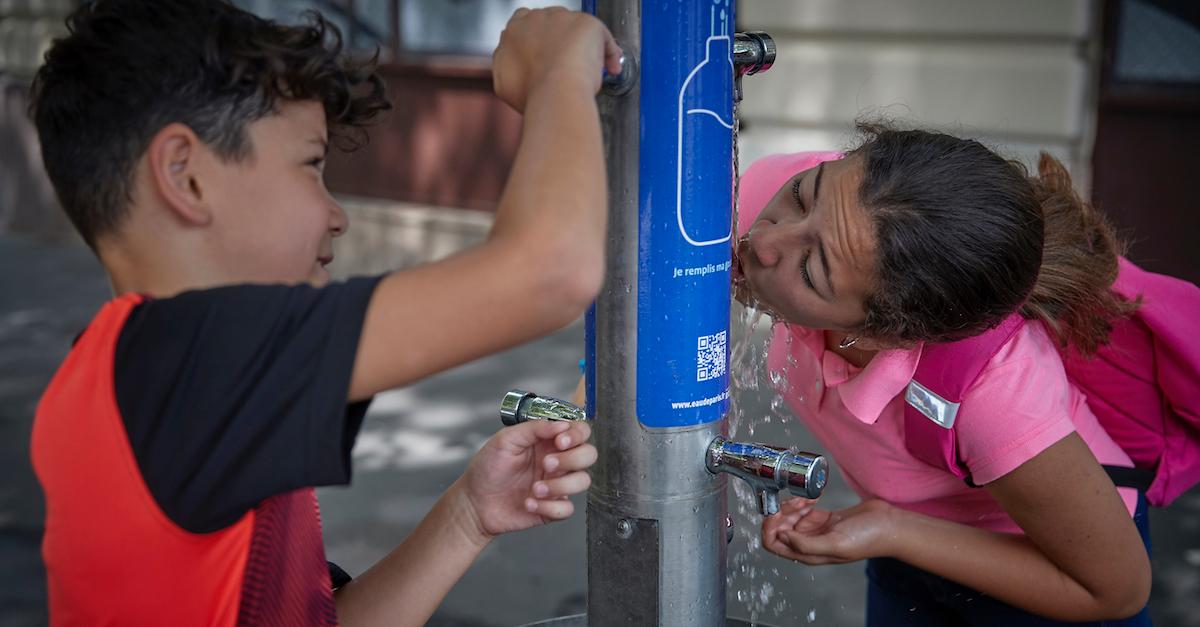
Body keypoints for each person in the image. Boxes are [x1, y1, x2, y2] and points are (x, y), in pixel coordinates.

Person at [28, 2, 620, 625]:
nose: (335, 214)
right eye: (311, 165)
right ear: (185, 175)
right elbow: (552, 272)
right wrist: (559, 70)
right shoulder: (181, 363)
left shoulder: (128, 380)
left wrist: (468, 515)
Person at [734, 125, 1155, 625]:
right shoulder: (795, 199)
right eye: (804, 197)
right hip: (901, 539)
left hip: (1051, 562)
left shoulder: (994, 397)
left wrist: (895, 528)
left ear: (883, 337)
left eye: (811, 271)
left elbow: (1115, 590)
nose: (762, 240)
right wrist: (893, 531)